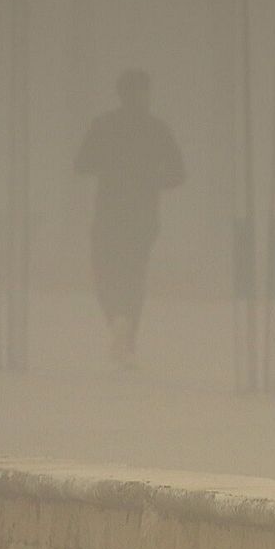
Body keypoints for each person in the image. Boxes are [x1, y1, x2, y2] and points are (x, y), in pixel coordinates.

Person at [74, 68, 185, 369]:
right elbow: (179, 173)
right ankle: (127, 335)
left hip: (110, 213)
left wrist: (108, 166)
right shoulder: (157, 129)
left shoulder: (104, 125)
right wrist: (153, 180)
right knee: (134, 275)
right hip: (143, 215)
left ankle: (117, 321)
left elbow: (81, 164)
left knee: (105, 273)